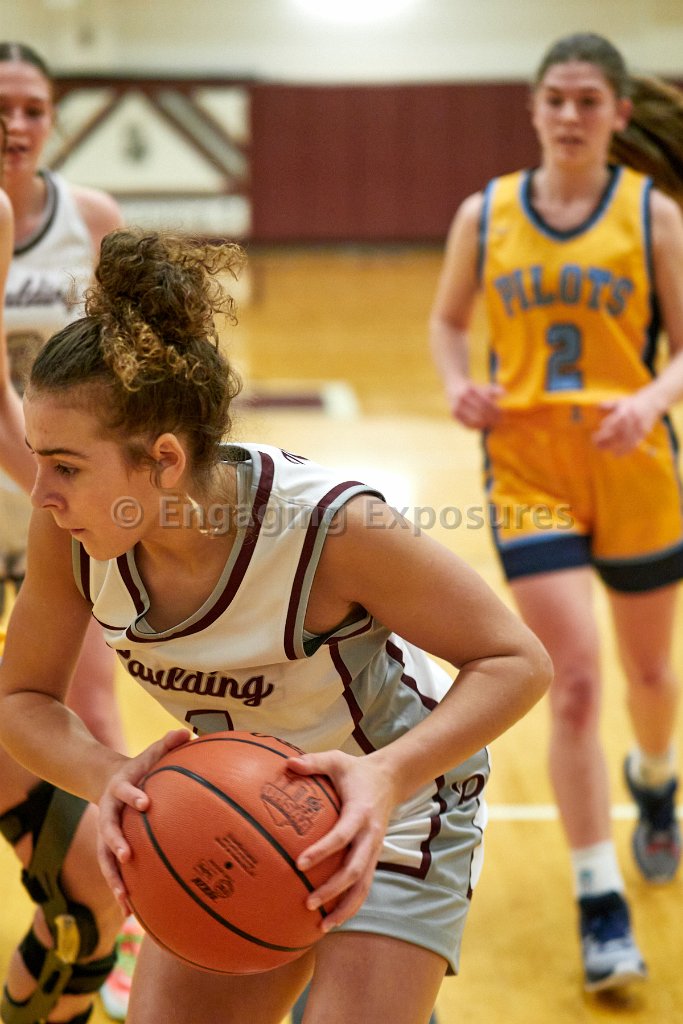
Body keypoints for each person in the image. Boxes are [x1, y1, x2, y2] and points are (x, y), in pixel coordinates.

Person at [0, 227, 551, 1024]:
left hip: (395, 798)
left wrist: (388, 776)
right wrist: (106, 773)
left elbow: (515, 659)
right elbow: (21, 699)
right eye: (37, 458)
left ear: (163, 460)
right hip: (231, 803)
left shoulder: (330, 527)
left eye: (65, 465)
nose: (41, 492)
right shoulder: (72, 532)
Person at [430, 31, 683, 994]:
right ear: (532, 108)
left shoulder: (651, 215)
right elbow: (448, 321)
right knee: (571, 682)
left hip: (634, 466)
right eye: (555, 99)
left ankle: (654, 778)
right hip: (527, 469)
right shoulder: (485, 213)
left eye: (587, 100)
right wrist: (457, 383)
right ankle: (597, 898)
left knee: (649, 673)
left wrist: (650, 401)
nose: (570, 115)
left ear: (618, 113)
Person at [0, 41, 142, 1021]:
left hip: (54, 498)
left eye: (32, 108)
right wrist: (68, 496)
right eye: (0, 107)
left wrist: (98, 494)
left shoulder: (88, 219)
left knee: (90, 708)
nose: (15, 125)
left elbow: (116, 374)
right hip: (46, 489)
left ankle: (124, 912)